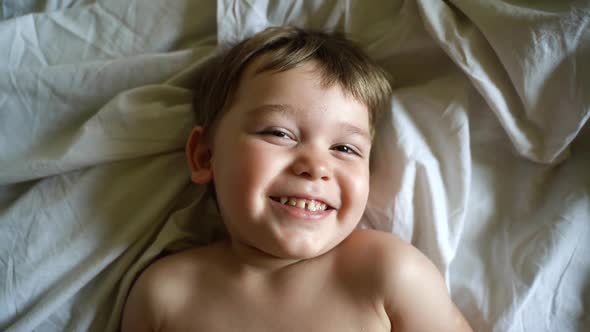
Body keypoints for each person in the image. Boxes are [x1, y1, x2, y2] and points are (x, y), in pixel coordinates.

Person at [121, 26, 472, 331]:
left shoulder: (390, 273)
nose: (316, 165)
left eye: (345, 148)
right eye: (279, 133)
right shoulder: (166, 295)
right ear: (205, 156)